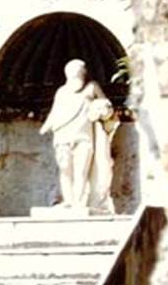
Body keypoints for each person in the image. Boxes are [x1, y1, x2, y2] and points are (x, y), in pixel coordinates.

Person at [39, 59, 117, 211]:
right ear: (67, 74)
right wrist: (46, 126)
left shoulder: (92, 87)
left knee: (81, 171)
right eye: (74, 72)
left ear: (84, 74)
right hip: (63, 136)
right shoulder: (61, 92)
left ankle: (78, 202)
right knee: (65, 169)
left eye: (79, 72)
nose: (77, 75)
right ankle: (68, 200)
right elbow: (55, 112)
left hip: (84, 137)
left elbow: (107, 107)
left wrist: (103, 110)